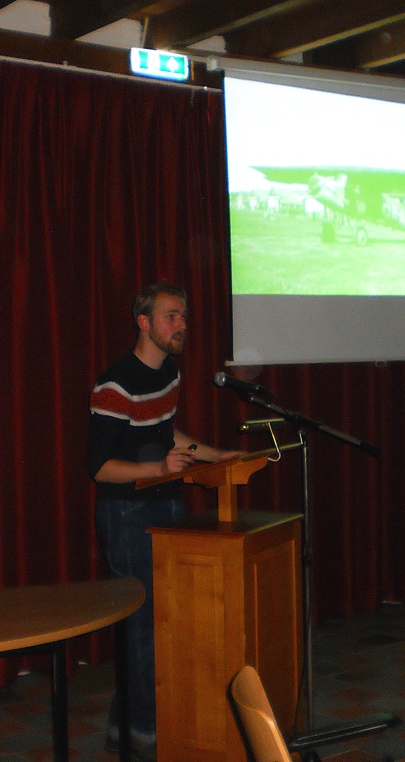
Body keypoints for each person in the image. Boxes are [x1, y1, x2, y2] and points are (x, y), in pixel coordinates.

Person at [87, 283, 237, 762]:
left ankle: (122, 728)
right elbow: (99, 466)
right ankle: (147, 739)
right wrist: (157, 469)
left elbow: (162, 429)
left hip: (168, 505)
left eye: (185, 316)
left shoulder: (169, 371)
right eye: (173, 316)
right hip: (127, 513)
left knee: (161, 627)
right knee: (143, 630)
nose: (183, 325)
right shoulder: (114, 385)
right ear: (144, 322)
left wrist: (214, 456)